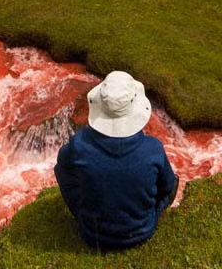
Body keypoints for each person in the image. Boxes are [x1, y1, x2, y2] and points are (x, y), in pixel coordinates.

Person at [54, 70, 179, 252]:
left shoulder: (80, 144)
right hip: (143, 231)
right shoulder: (154, 149)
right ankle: (140, 215)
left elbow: (61, 168)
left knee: (64, 171)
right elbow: (166, 187)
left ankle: (87, 212)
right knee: (173, 181)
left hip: (91, 234)